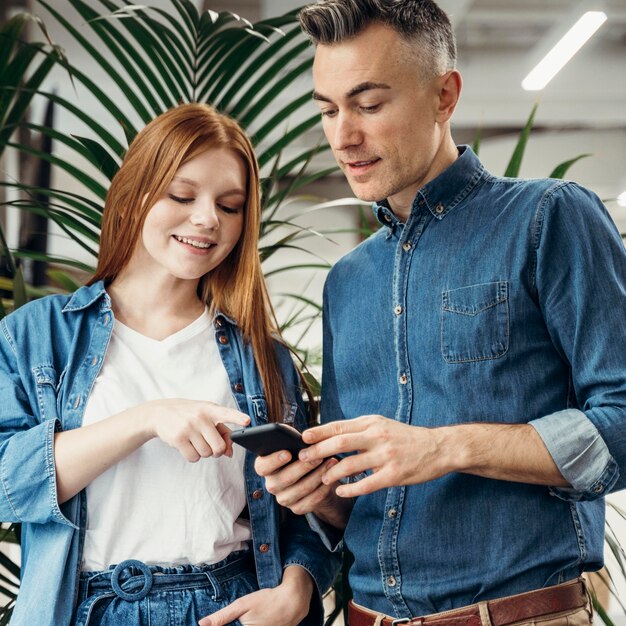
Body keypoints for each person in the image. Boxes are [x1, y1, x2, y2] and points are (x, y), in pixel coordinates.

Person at [255, 1, 626, 624]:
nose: (343, 135)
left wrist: (446, 447)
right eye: (328, 110)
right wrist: (321, 496)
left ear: (444, 96)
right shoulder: (346, 282)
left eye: (369, 105)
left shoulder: (549, 219)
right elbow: (360, 499)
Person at [0, 103, 339, 626]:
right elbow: (6, 486)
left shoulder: (262, 357)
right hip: (87, 611)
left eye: (230, 206)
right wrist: (146, 418)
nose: (206, 219)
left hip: (228, 605)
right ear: (135, 194)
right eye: (182, 196)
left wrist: (297, 587)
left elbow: (302, 512)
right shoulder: (35, 336)